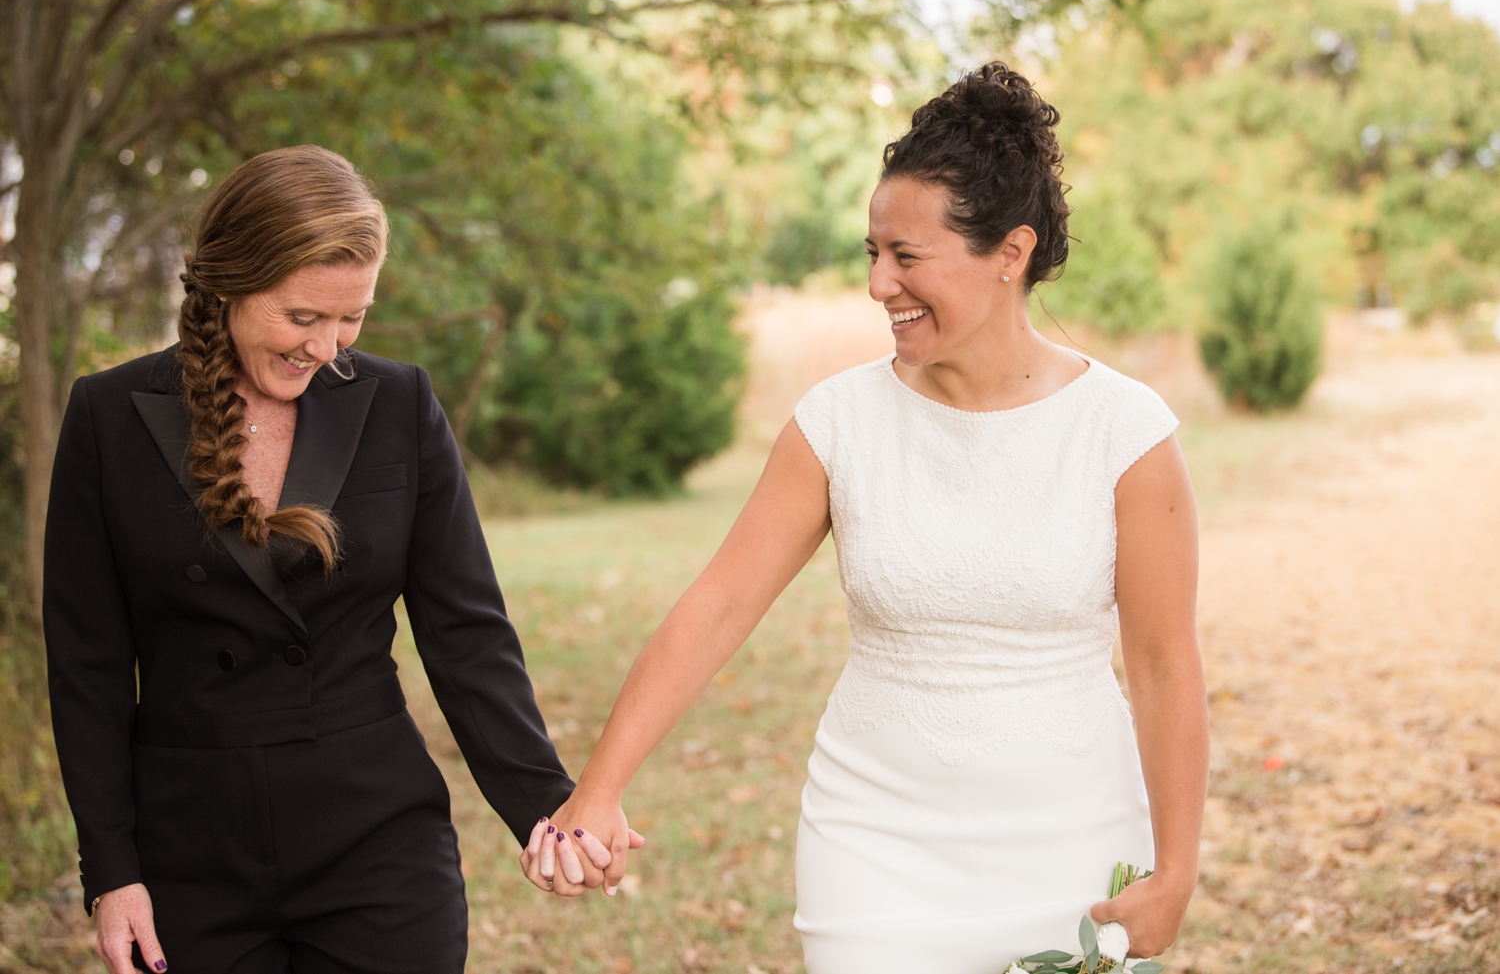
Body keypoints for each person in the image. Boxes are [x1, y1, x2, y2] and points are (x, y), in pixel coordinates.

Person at [526, 63, 1209, 971]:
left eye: (908, 257)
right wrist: (598, 788)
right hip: (874, 845)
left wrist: (1178, 868)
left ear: (1011, 253)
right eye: (872, 254)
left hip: (1073, 846)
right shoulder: (836, 424)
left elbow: (1165, 665)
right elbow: (720, 602)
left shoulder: (1124, 432)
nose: (880, 283)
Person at [44, 145, 621, 974]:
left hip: (376, 842)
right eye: (302, 317)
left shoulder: (399, 404)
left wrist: (543, 805)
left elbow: (465, 633)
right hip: (187, 856)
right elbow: (87, 666)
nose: (326, 346)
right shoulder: (106, 418)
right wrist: (113, 871)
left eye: (352, 317)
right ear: (232, 284)